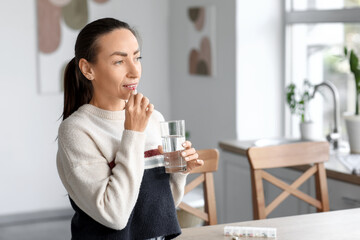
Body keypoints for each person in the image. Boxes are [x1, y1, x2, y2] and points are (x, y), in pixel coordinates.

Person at [56, 18, 204, 240]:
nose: (135, 71)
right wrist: (133, 133)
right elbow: (115, 215)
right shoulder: (76, 130)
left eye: (137, 57)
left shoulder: (152, 118)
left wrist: (179, 171)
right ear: (88, 69)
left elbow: (161, 210)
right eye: (119, 61)